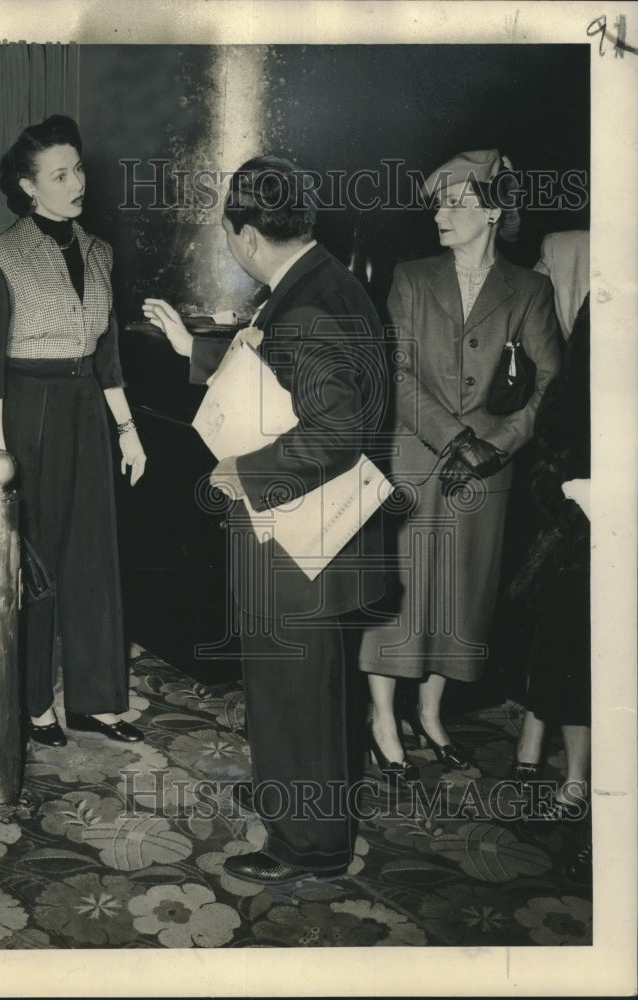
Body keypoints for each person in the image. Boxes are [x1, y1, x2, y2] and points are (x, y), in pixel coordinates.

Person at [143, 155, 388, 885]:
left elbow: (333, 431)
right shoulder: (322, 282)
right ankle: (295, 789)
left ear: (245, 235)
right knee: (302, 686)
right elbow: (279, 365)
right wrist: (202, 351)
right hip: (316, 535)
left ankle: (310, 843)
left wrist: (243, 471)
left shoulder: (307, 303)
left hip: (299, 538)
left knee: (293, 686)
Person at [358, 149, 561, 779]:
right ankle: (383, 719)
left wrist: (496, 445)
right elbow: (396, 369)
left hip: (485, 472)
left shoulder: (529, 288)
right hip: (416, 459)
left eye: (456, 201)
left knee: (461, 595)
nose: (440, 214)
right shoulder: (413, 276)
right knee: (404, 594)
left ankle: (432, 711)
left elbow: (553, 381)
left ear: (494, 211)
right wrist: (454, 438)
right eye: (438, 202)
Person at [0, 115, 146, 749]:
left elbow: (108, 357)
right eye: (60, 175)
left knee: (95, 556)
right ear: (28, 187)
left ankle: (98, 701)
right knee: (35, 563)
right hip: (27, 412)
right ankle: (34, 702)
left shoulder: (98, 251)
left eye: (79, 170)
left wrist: (127, 429)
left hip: (85, 411)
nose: (77, 183)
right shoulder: (0, 254)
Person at [509, 282, 591, 882]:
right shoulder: (603, 307)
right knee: (562, 640)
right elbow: (558, 423)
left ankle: (578, 782)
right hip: (582, 523)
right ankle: (537, 760)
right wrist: (570, 495)